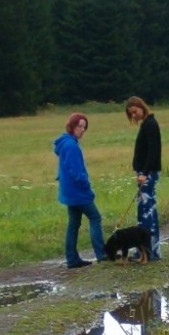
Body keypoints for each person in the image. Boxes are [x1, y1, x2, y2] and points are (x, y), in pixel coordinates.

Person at [54, 113, 108, 268]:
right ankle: (101, 254)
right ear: (72, 126)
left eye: (84, 127)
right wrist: (87, 188)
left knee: (74, 223)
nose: (82, 130)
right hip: (78, 192)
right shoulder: (71, 145)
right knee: (95, 217)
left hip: (69, 192)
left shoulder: (65, 143)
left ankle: (72, 259)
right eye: (79, 126)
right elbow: (76, 173)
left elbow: (64, 169)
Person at [125, 96, 161, 260]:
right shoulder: (147, 124)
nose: (134, 116)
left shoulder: (150, 125)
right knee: (146, 211)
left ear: (141, 107)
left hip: (147, 174)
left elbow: (153, 152)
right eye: (131, 114)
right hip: (144, 173)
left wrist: (144, 173)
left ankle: (148, 252)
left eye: (135, 112)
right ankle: (148, 250)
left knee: (147, 213)